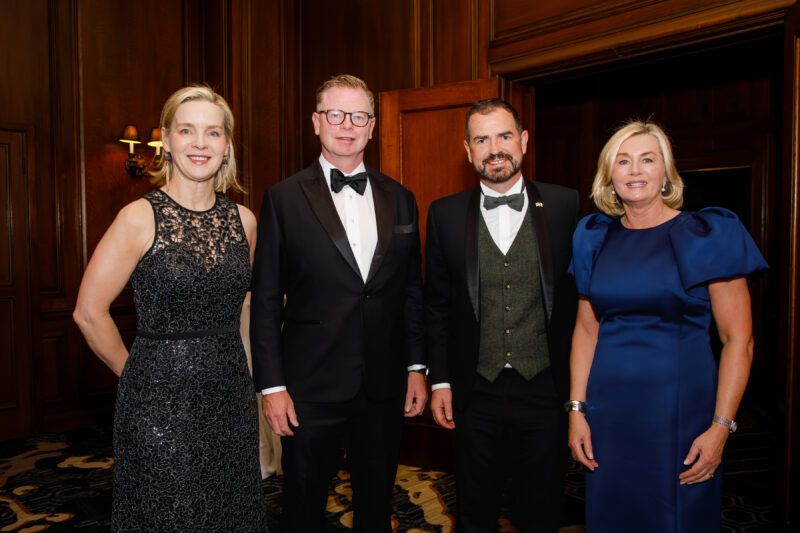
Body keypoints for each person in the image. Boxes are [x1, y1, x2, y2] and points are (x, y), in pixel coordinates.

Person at [73, 86, 266, 531]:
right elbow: (88, 312)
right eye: (186, 130)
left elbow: (246, 306)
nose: (200, 143)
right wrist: (139, 378)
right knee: (168, 516)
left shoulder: (245, 221)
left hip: (230, 401)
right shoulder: (138, 217)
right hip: (157, 406)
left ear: (226, 145)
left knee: (229, 514)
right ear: (166, 140)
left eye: (213, 132)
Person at [567, 120, 768, 532]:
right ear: (609, 175)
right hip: (609, 415)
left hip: (681, 414)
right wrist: (576, 411)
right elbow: (587, 331)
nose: (635, 170)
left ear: (666, 172)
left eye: (647, 159)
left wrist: (721, 428)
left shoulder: (707, 234)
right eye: (623, 161)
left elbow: (738, 340)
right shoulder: (593, 238)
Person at [249, 74, 426, 533]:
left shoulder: (402, 199)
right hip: (309, 387)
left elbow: (412, 291)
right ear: (316, 122)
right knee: (303, 507)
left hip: (383, 384)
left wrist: (416, 367)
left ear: (372, 127)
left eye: (359, 116)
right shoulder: (283, 198)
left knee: (376, 506)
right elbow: (265, 299)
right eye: (335, 114)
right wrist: (272, 387)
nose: (347, 125)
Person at [426, 98, 580, 532]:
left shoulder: (566, 205)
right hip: (474, 391)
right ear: (468, 150)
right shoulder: (443, 214)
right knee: (474, 512)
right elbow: (435, 304)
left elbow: (582, 302)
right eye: (482, 140)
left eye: (504, 136)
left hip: (545, 388)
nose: (494, 149)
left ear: (524, 141)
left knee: (542, 511)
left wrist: (580, 395)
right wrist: (440, 380)